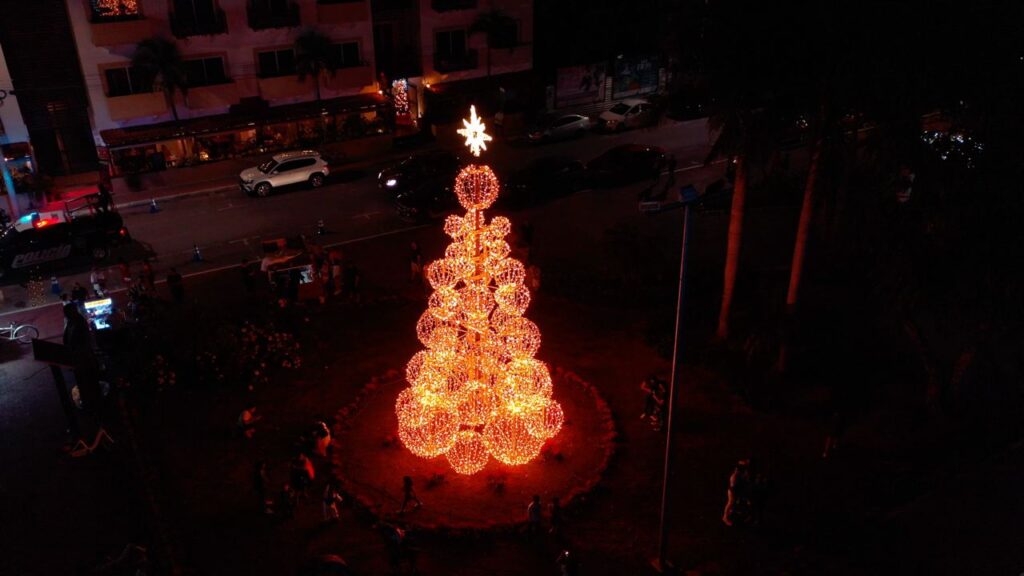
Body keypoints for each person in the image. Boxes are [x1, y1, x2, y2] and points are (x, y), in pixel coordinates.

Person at [722, 459, 751, 526]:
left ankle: (745, 515)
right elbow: (734, 487)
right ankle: (725, 517)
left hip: (737, 490)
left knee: (745, 502)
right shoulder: (735, 476)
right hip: (733, 490)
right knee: (731, 502)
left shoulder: (742, 474)